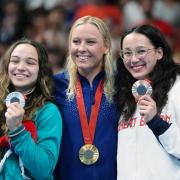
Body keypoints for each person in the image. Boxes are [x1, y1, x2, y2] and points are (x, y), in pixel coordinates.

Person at [54, 16, 120, 180]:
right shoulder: (55, 85)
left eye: (90, 42)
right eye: (76, 42)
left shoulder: (122, 85)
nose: (82, 48)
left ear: (106, 46)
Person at [115, 24, 180, 180]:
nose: (134, 59)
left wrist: (157, 123)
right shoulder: (124, 95)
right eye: (127, 53)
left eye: (141, 51)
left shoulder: (177, 88)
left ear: (159, 52)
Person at [0, 38, 62, 179]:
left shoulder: (48, 112)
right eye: (15, 61)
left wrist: (17, 130)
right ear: (7, 65)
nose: (21, 67)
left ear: (41, 70)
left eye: (30, 62)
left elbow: (43, 170)